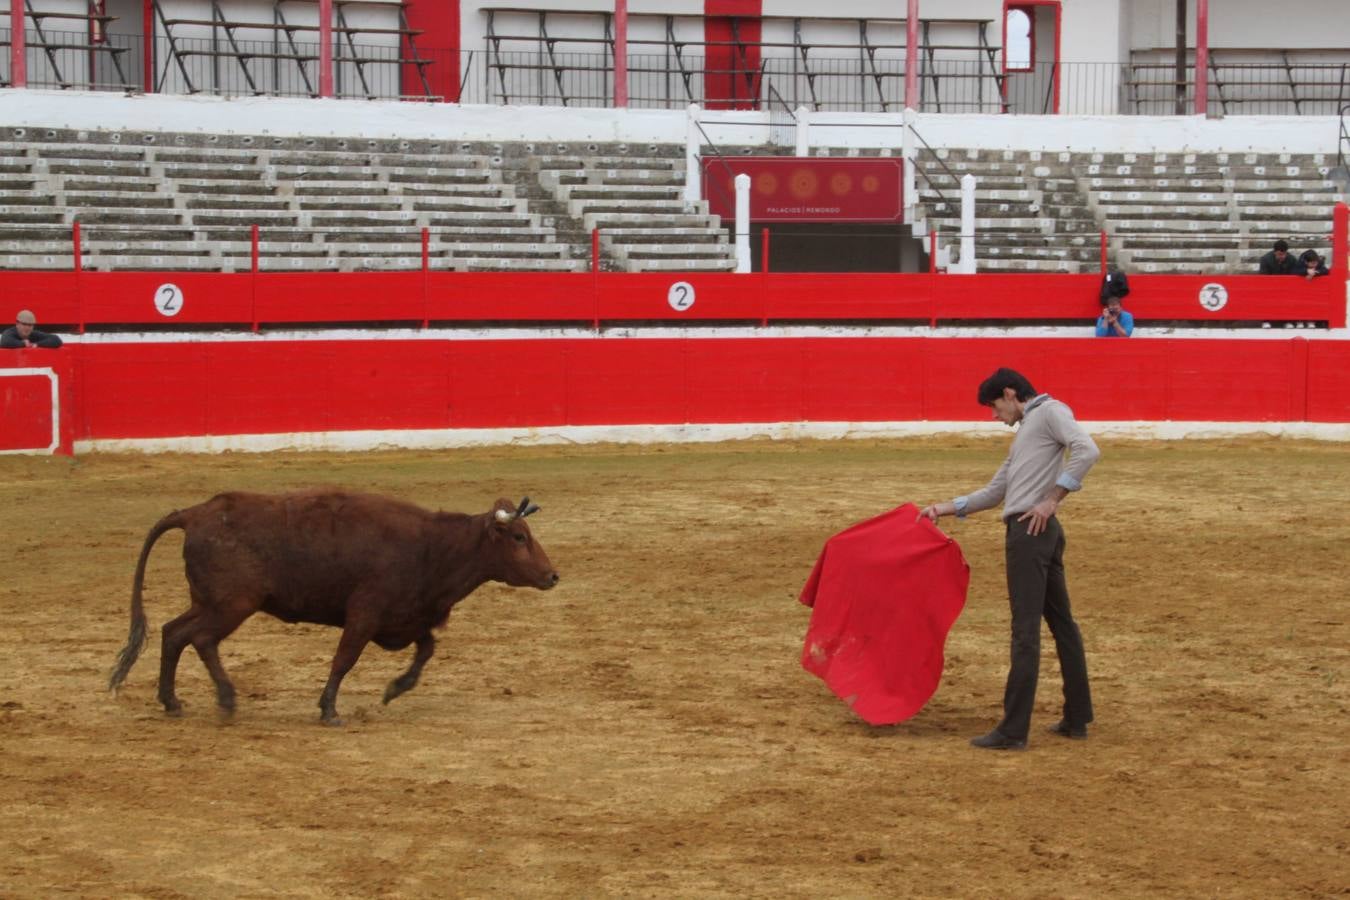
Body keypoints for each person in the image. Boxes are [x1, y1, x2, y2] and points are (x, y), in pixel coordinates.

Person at [918, 368, 1100, 751]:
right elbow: (996, 490)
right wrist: (943, 508)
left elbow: (1088, 449)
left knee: (1025, 630)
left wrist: (1051, 500)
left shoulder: (1049, 412)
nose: (994, 415)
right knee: (1061, 624)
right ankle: (1077, 716)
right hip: (1040, 532)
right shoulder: (1027, 433)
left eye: (994, 406)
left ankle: (1014, 730)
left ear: (1010, 392)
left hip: (1030, 533)